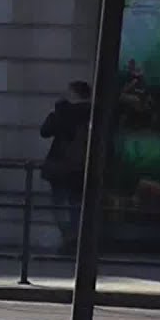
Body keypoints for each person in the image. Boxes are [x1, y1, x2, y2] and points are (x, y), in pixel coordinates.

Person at [40, 80, 92, 254]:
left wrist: (58, 109)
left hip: (61, 166)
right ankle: (76, 240)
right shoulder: (93, 113)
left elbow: (45, 131)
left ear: (73, 94)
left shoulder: (63, 112)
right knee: (77, 206)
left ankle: (69, 238)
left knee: (59, 205)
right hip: (82, 167)